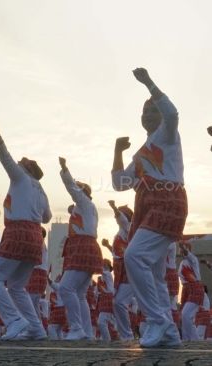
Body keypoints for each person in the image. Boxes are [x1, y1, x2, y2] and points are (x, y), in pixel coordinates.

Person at [112, 68, 186, 348]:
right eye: (143, 112)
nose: (146, 115)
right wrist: (117, 151)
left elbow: (173, 114)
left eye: (151, 110)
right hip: (146, 206)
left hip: (167, 201)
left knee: (134, 257)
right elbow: (121, 184)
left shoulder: (167, 134)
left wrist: (148, 84)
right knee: (152, 271)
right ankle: (167, 331)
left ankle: (158, 321)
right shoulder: (142, 152)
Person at [0, 120, 52, 341]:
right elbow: (47, 217)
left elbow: (6, 159)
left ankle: (13, 320)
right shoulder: (41, 191)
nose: (19, 163)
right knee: (16, 286)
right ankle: (36, 329)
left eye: (23, 162)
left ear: (28, 169)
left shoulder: (20, 177)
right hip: (34, 238)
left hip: (18, 232)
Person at [58, 157, 103, 340]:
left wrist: (64, 169)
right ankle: (86, 332)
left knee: (66, 289)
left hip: (82, 247)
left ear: (83, 192)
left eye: (79, 188)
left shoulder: (84, 203)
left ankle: (77, 328)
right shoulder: (86, 207)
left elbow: (72, 189)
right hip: (87, 247)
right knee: (80, 294)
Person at [102, 200, 135, 341]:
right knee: (117, 303)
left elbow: (120, 218)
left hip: (128, 270)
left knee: (119, 303)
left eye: (120, 214)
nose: (117, 217)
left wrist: (113, 207)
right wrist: (109, 246)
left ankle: (127, 335)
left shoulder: (128, 227)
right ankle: (125, 335)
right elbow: (117, 253)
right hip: (120, 271)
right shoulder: (122, 231)